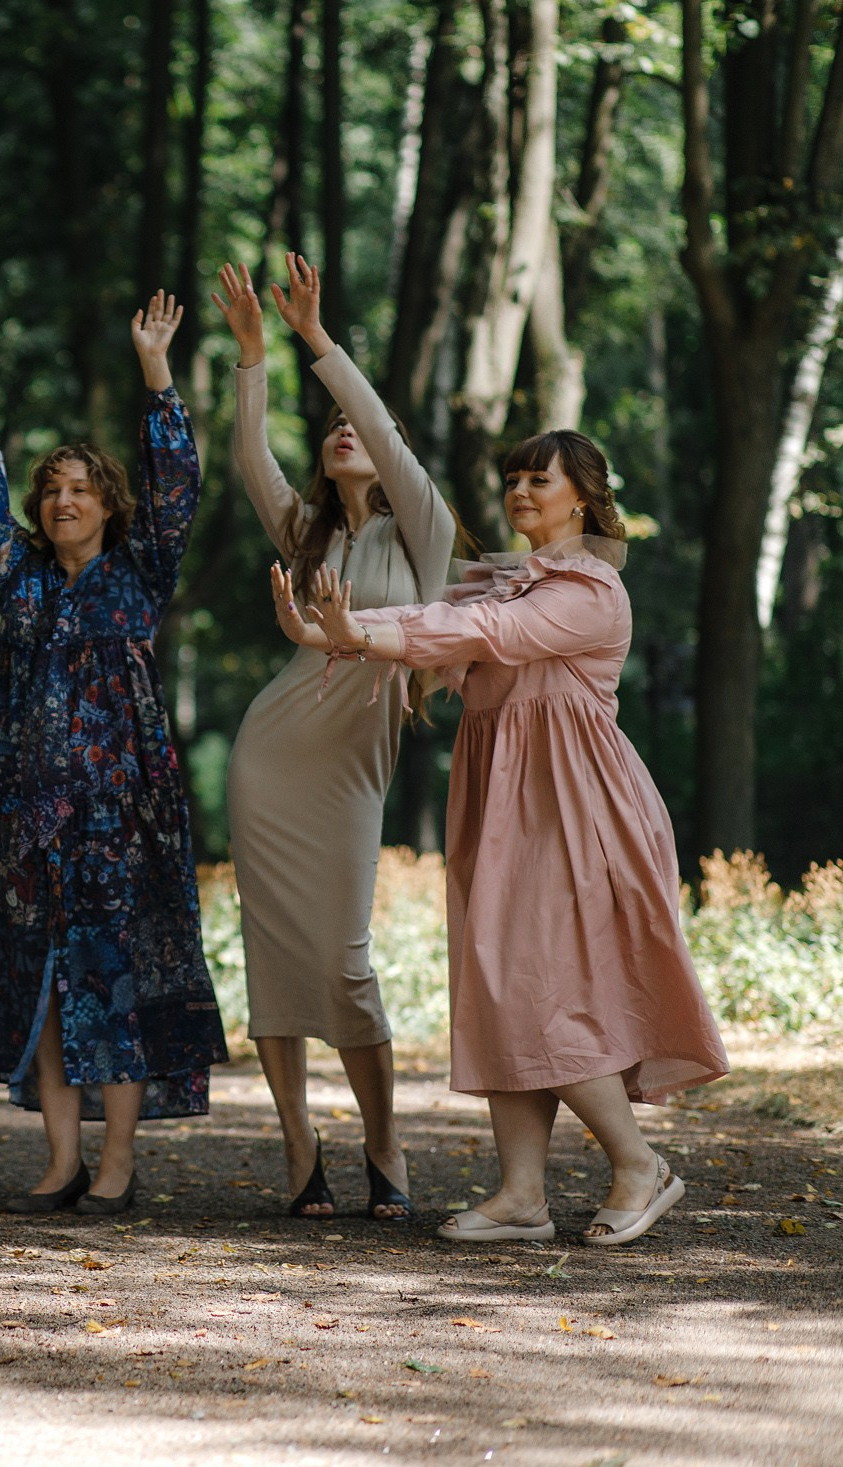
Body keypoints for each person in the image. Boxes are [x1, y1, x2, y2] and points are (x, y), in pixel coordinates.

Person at [275, 429, 728, 1246]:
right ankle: (522, 1191)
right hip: (501, 797)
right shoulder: (511, 581)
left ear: (582, 496)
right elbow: (442, 615)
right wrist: (331, 631)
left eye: (539, 478)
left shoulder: (588, 589)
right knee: (498, 977)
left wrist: (355, 633)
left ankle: (638, 1162)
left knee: (537, 979)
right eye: (513, 477)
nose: (521, 490)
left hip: (573, 803)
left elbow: (481, 633)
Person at [0, 299, 228, 1216]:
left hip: (119, 820)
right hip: (25, 820)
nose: (62, 501)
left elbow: (179, 484)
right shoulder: (20, 578)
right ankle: (60, 1160)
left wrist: (157, 371)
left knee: (113, 985)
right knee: (48, 989)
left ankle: (118, 1160)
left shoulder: (141, 572)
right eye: (50, 491)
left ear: (107, 504)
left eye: (79, 489)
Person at [213, 254, 459, 1222]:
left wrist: (316, 342)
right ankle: (297, 1149)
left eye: (354, 424)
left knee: (344, 961)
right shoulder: (306, 536)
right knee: (274, 954)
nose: (343, 431)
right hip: (271, 753)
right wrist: (249, 357)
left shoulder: (422, 535)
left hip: (354, 767)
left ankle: (385, 1142)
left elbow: (389, 435)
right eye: (330, 430)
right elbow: (248, 462)